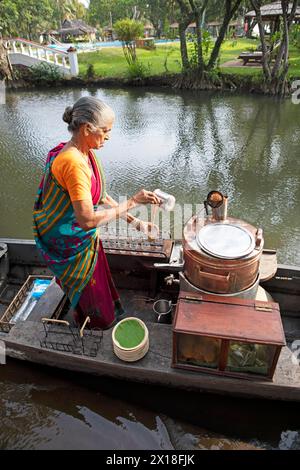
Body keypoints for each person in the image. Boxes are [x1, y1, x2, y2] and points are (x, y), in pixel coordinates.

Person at [33, 96, 160, 329]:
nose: (108, 136)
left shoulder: (83, 152)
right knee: (90, 292)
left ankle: (99, 317)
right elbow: (87, 220)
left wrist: (136, 223)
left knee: (95, 283)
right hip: (69, 243)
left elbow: (99, 196)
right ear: (86, 128)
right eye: (105, 131)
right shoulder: (72, 162)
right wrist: (132, 201)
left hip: (81, 239)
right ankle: (95, 326)